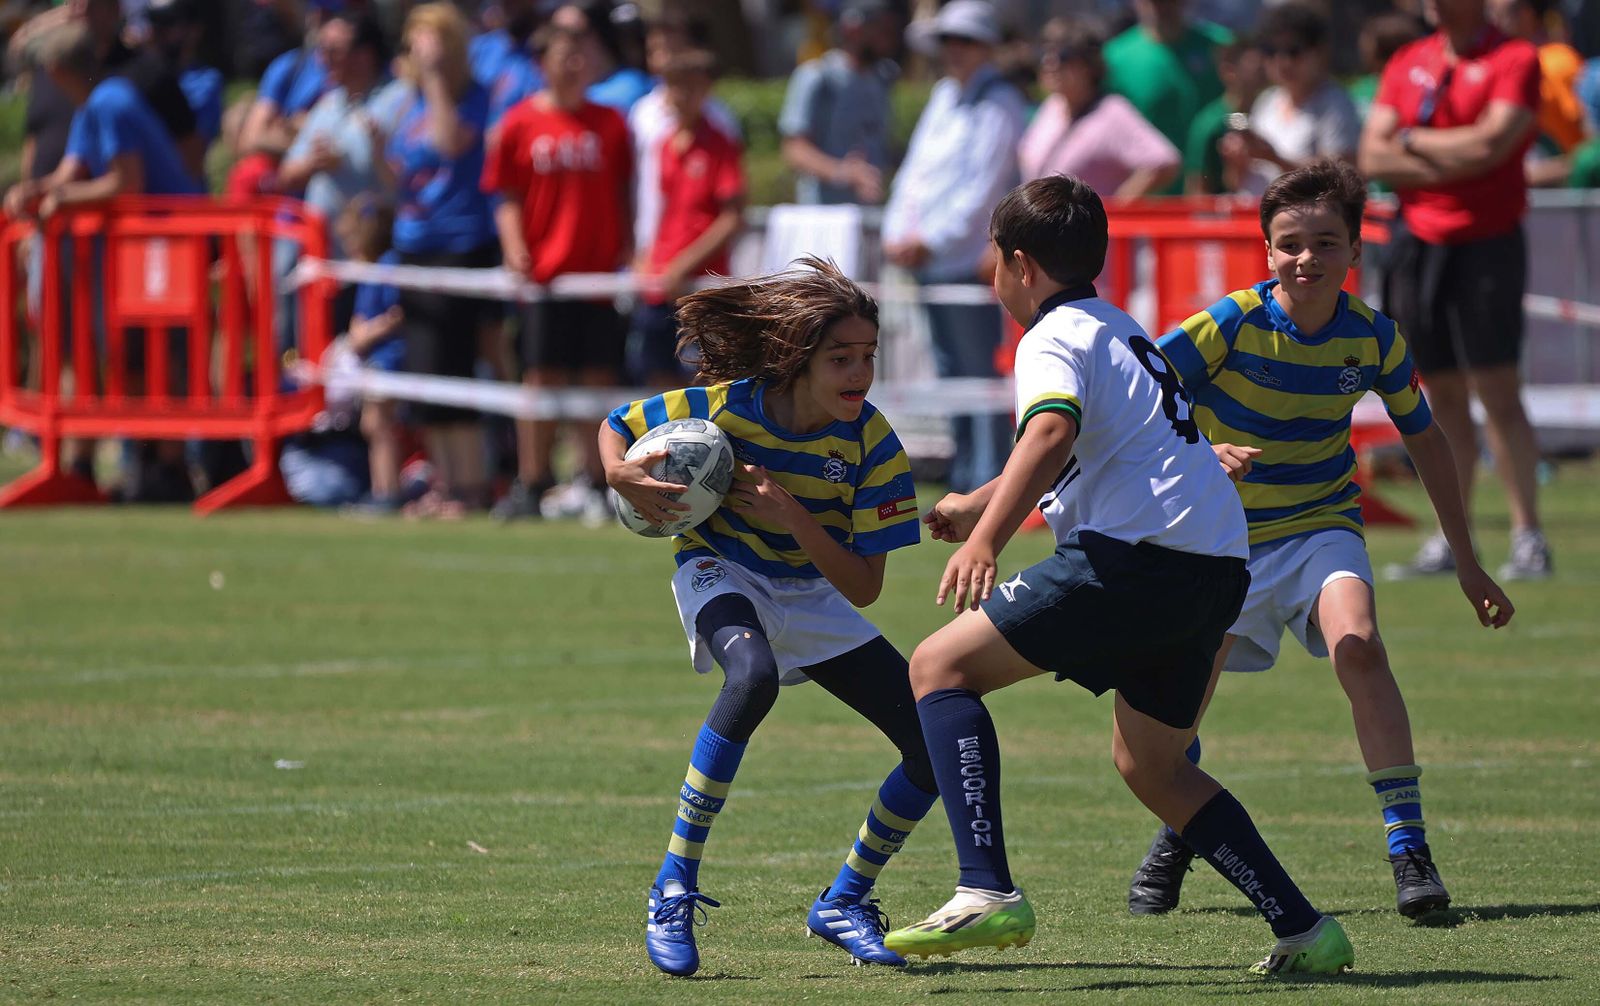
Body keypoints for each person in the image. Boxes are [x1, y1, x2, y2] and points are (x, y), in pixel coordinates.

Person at [878, 175, 1352, 977]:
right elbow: (1095, 446)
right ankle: (1306, 930)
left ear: (1019, 265)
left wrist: (986, 539)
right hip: (1214, 567)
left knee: (938, 667)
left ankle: (985, 889)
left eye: (993, 259)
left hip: (1139, 558)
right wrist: (979, 502)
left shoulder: (1049, 337)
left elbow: (1050, 432)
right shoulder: (1120, 329)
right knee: (1153, 766)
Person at [1122, 160, 1515, 922]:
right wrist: (1202, 450)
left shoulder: (1374, 337)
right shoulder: (1232, 322)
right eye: (1291, 244)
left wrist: (1467, 563)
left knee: (1359, 646)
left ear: (1356, 249)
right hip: (1222, 541)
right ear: (1268, 250)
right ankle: (1179, 831)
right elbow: (1140, 389)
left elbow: (1426, 438)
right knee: (1180, 709)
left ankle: (1409, 850)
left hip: (1319, 527)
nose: (1307, 258)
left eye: (1326, 242)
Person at [600, 258, 936, 977]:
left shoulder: (874, 446)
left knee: (931, 745)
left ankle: (845, 900)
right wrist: (618, 472)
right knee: (749, 675)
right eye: (841, 358)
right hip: (721, 567)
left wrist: (794, 516)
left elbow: (864, 588)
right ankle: (673, 884)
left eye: (869, 356)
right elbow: (618, 424)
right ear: (797, 359)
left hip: (813, 592)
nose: (860, 373)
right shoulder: (725, 408)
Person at [1359, 0, 1551, 580]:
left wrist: (1411, 141)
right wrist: (1454, 156)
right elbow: (1373, 154)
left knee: (1498, 391)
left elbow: (1493, 146)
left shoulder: (1514, 58)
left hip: (1487, 242)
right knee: (1437, 395)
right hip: (1417, 243)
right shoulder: (1408, 60)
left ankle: (1528, 537)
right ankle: (1452, 540)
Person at [483, 21, 632, 523]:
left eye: (581, 53)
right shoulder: (519, 122)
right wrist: (514, 247)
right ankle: (532, 480)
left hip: (598, 276)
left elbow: (625, 193)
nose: (574, 63)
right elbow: (505, 194)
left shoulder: (611, 123)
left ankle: (597, 479)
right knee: (540, 378)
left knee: (597, 378)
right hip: (545, 276)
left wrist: (629, 247)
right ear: (542, 63)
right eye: (564, 53)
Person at [882, 0, 1024, 494]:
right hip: (931, 259)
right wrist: (897, 233)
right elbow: (915, 174)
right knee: (951, 372)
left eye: (965, 41)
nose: (954, 50)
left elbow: (983, 188)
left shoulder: (1001, 101)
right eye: (948, 41)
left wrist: (928, 240)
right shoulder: (946, 94)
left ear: (986, 47)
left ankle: (988, 479)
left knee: (977, 373)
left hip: (966, 261)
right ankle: (965, 473)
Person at [381, 1, 498, 518]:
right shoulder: (408, 102)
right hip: (414, 243)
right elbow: (400, 178)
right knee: (426, 370)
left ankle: (470, 486)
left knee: (454, 366)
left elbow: (450, 144)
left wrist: (432, 79)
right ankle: (445, 483)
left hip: (459, 243)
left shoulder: (472, 98)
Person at [628, 48, 745, 387]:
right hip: (660, 282)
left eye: (691, 86)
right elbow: (656, 210)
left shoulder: (720, 143)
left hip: (700, 286)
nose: (681, 95)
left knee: (703, 381)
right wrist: (644, 257)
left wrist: (684, 263)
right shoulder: (663, 144)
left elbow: (732, 217)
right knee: (657, 381)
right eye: (675, 86)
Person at [1018, 18, 1181, 198]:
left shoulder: (1112, 112)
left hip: (1084, 217)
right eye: (1044, 53)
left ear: (1088, 65)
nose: (1050, 63)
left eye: (1063, 56)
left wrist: (1115, 207)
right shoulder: (1051, 106)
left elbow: (1163, 163)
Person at [627, 12, 740, 263]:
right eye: (655, 50)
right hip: (653, 255)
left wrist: (685, 262)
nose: (663, 57)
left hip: (702, 264)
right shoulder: (642, 113)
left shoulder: (718, 119)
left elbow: (732, 207)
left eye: (670, 48)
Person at [1226, 3, 1360, 194]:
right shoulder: (1266, 101)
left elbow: (1339, 176)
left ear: (1319, 52)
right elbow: (1239, 183)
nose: (1282, 61)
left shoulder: (1336, 104)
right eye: (1271, 51)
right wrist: (1238, 163)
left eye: (1293, 51)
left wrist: (1276, 159)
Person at [1103, 0, 1232, 194]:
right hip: (1149, 199)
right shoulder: (1114, 58)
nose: (1162, 6)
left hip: (1216, 195)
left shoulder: (1220, 47)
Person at [778, 0, 899, 205]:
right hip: (827, 215)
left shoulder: (883, 78)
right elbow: (794, 149)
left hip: (872, 212)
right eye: (881, 29)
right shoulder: (817, 76)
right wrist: (842, 173)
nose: (888, 38)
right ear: (853, 30)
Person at [336, 195, 408, 514]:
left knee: (379, 424)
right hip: (374, 359)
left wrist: (367, 334)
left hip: (389, 358)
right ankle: (381, 488)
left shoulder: (388, 265)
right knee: (372, 425)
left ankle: (389, 491)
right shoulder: (370, 269)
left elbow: (395, 314)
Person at [1489, 0, 1587, 153]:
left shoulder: (1559, 61)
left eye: (1498, 14)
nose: (1492, 23)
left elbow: (1588, 136)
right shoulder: (1486, 66)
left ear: (1526, 14)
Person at [1184, 34, 1267, 194]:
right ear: (1228, 71)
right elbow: (1197, 188)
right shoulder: (1209, 123)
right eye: (1252, 63)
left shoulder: (1271, 110)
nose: (1261, 68)